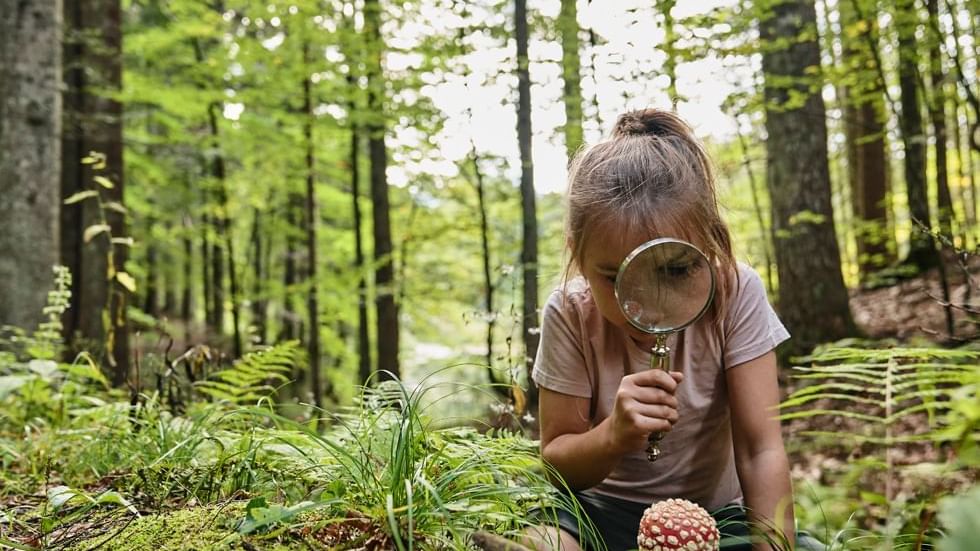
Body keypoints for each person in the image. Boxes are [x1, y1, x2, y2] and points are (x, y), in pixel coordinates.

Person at [523, 108, 797, 551]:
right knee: (546, 542)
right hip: (596, 511)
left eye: (675, 270)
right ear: (578, 255)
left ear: (710, 245)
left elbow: (760, 450)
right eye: (615, 279)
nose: (644, 305)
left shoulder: (737, 292)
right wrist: (612, 436)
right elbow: (556, 463)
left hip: (716, 516)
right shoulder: (571, 312)